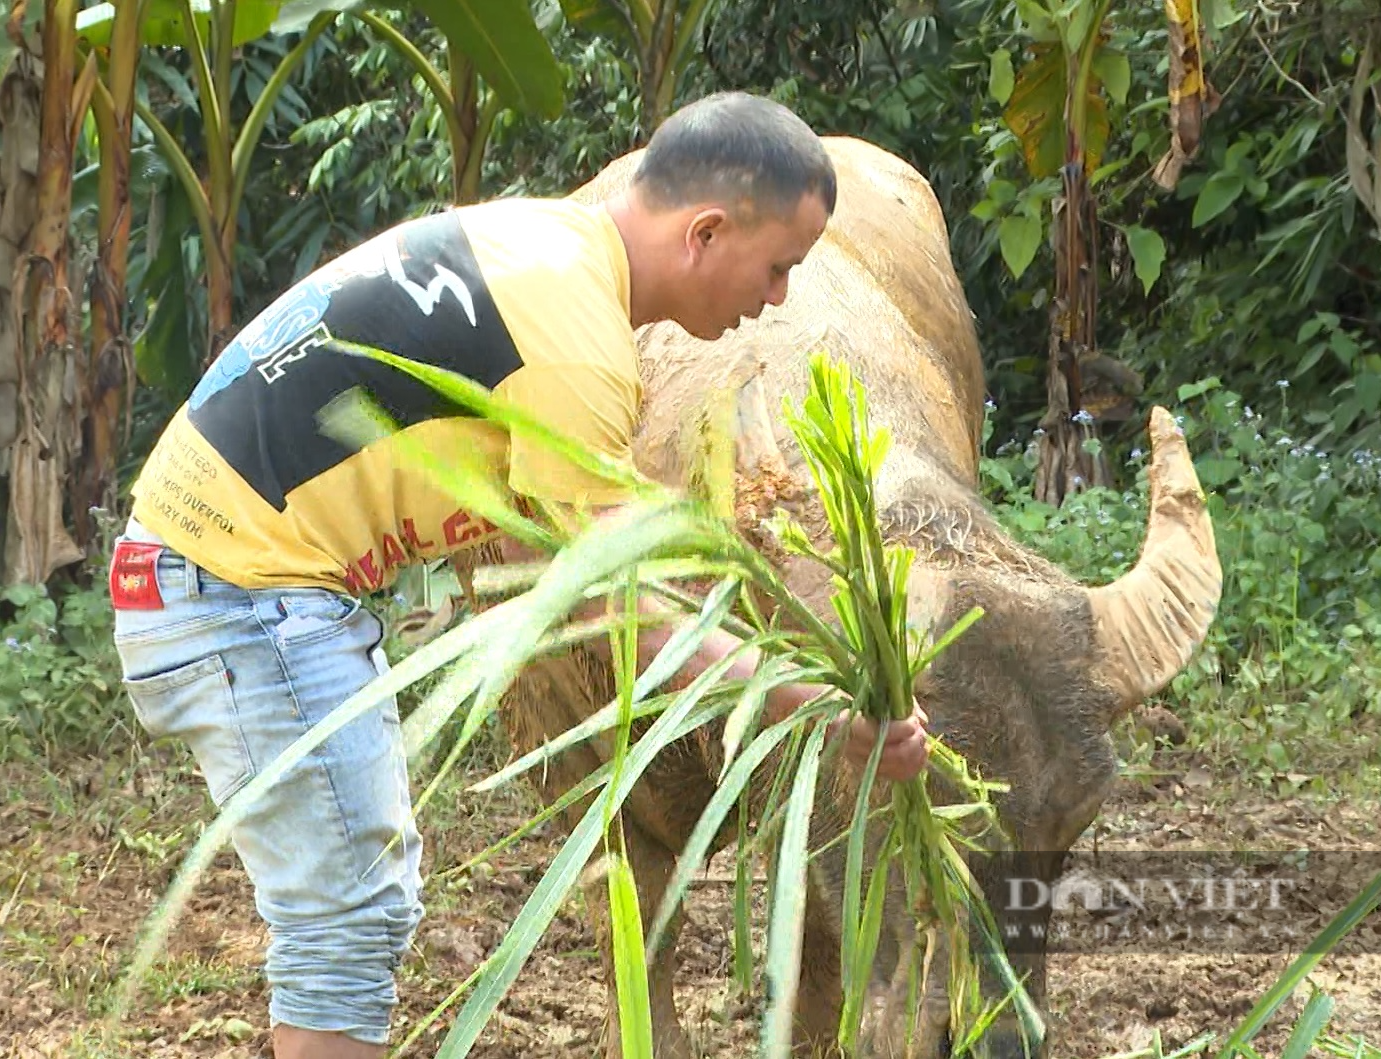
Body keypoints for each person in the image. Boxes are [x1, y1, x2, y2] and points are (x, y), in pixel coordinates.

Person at [107, 91, 931, 1059]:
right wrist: (830, 706)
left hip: (215, 577)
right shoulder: (575, 337)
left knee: (352, 909)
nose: (781, 298)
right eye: (781, 267)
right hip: (241, 591)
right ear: (706, 232)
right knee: (347, 916)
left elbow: (537, 556)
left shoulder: (549, 250)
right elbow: (630, 601)